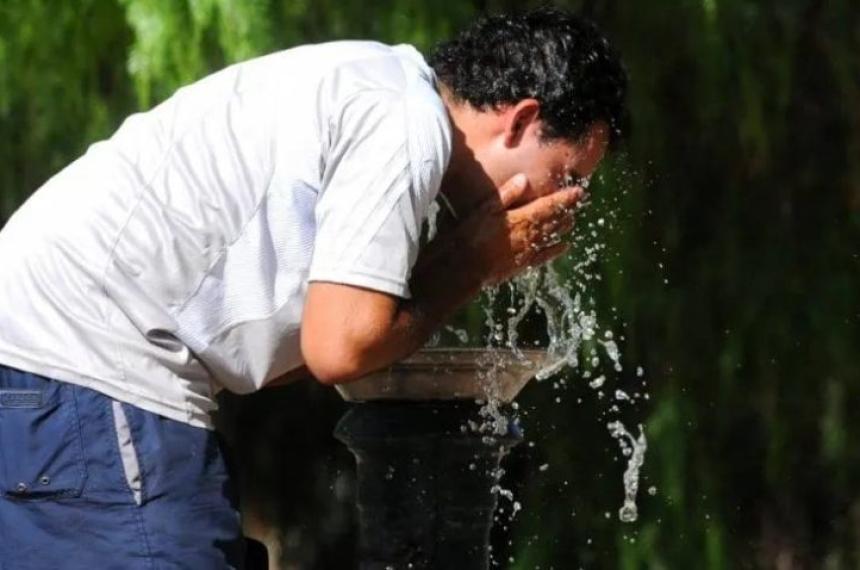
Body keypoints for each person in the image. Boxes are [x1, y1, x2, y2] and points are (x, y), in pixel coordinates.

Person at [0, 7, 627, 569]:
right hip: (89, 370)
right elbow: (340, 350)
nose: (563, 202)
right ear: (521, 120)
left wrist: (451, 265)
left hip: (48, 373)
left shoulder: (377, 85)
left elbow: (289, 356)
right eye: (566, 175)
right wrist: (474, 264)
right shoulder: (404, 126)